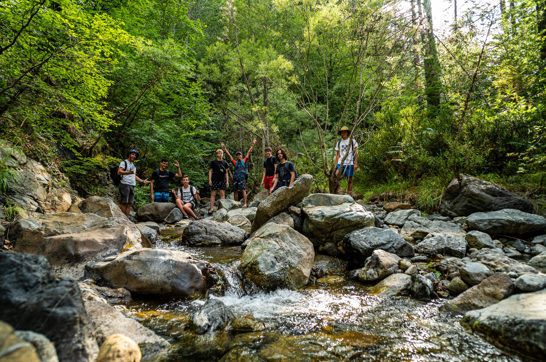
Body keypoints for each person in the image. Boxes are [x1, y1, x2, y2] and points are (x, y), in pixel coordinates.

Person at [221, 139, 256, 207]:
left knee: (243, 190)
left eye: (239, 155)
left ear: (241, 156)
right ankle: (236, 204)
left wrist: (253, 144)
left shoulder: (244, 161)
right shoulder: (235, 163)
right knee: (235, 190)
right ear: (236, 156)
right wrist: (224, 149)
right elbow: (229, 156)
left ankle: (245, 203)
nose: (238, 156)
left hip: (242, 177)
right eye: (237, 155)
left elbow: (249, 152)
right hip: (236, 177)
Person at [118, 149, 149, 217]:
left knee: (129, 203)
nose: (134, 156)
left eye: (135, 155)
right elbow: (119, 172)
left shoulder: (133, 165)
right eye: (132, 154)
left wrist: (142, 181)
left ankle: (127, 219)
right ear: (129, 154)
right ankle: (122, 219)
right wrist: (128, 172)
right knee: (124, 203)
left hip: (132, 185)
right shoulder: (124, 162)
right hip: (125, 184)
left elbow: (134, 175)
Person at [334, 125, 358, 194]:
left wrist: (355, 163)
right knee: (337, 177)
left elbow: (356, 153)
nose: (343, 133)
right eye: (342, 132)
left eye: (344, 132)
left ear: (347, 133)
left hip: (349, 163)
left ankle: (349, 193)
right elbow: (337, 155)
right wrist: (336, 165)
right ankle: (339, 192)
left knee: (350, 179)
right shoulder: (339, 143)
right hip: (340, 163)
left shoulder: (352, 141)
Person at [208, 148, 229, 214]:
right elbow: (210, 171)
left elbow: (226, 173)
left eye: (221, 153)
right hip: (215, 179)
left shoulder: (225, 163)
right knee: (213, 194)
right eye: (219, 153)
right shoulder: (213, 162)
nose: (220, 154)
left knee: (222, 193)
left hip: (222, 179)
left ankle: (222, 208)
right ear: (217, 154)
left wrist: (227, 181)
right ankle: (211, 208)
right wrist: (210, 180)